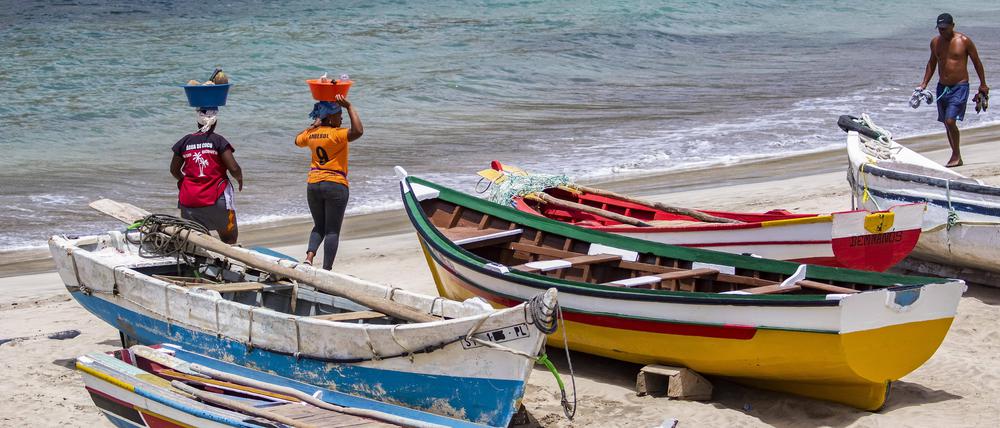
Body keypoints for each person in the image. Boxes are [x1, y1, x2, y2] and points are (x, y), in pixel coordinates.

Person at [295, 94, 364, 269]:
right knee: (332, 231)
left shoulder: (311, 134)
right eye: (339, 114)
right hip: (335, 184)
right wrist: (349, 107)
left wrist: (314, 125)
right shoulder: (338, 134)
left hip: (314, 184)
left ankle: (309, 258)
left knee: (319, 225)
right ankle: (326, 270)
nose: (341, 117)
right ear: (331, 117)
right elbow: (358, 131)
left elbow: (297, 140)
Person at [917, 13, 989, 167]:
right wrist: (924, 84)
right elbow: (931, 63)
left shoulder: (964, 41)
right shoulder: (935, 42)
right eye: (939, 28)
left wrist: (983, 84)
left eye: (945, 28)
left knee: (950, 121)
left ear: (952, 26)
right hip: (942, 87)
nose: (942, 31)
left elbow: (977, 62)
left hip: (960, 86)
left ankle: (956, 155)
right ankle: (956, 156)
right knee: (946, 122)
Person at [170, 108, 244, 244]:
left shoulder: (185, 141)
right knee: (230, 240)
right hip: (217, 198)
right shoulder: (218, 141)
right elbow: (233, 168)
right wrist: (239, 178)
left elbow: (174, 170)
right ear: (215, 122)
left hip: (189, 201)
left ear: (197, 122)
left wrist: (185, 182)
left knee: (200, 242)